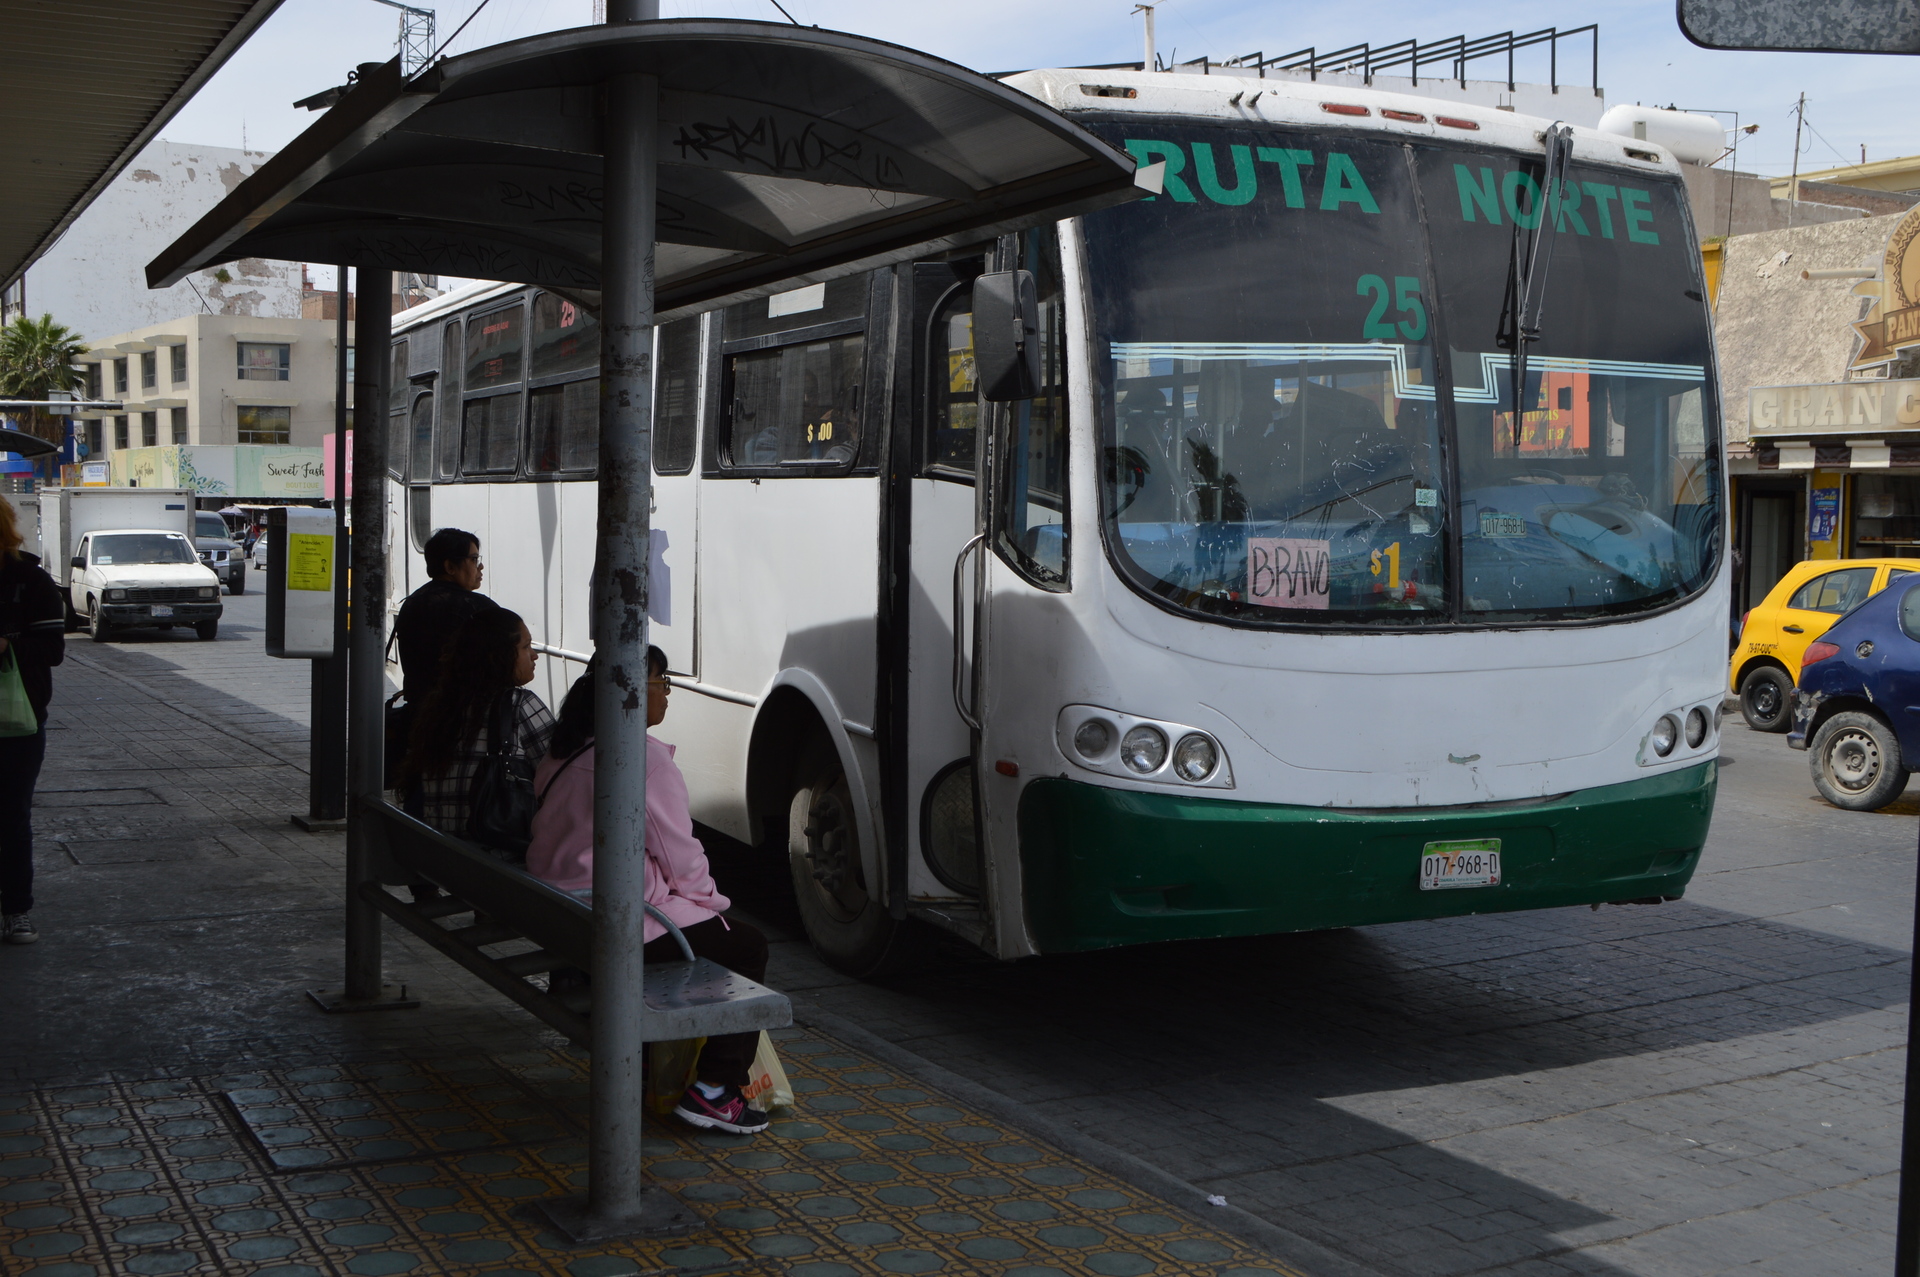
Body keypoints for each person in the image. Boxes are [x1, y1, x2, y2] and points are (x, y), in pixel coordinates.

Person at [528, 647, 773, 1136]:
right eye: (662, 681)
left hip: (557, 913)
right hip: (613, 920)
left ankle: (649, 1069)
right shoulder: (640, 758)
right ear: (634, 691)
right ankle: (715, 1091)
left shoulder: (564, 749)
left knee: (708, 937)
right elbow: (680, 858)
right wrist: (714, 907)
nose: (668, 693)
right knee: (746, 945)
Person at [402, 608, 553, 837]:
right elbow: (564, 778)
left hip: (443, 853)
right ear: (500, 655)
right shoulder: (519, 705)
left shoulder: (441, 709)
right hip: (501, 858)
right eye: (525, 647)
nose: (534, 655)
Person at [0, 500, 67, 945]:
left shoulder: (30, 580)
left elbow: (52, 651)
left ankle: (17, 909)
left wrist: (7, 647)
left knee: (11, 817)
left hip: (15, 721)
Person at [395, 527, 499, 698]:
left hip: (420, 712)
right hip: (466, 713)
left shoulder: (413, 602)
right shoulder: (478, 608)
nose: (480, 566)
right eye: (473, 559)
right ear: (450, 567)